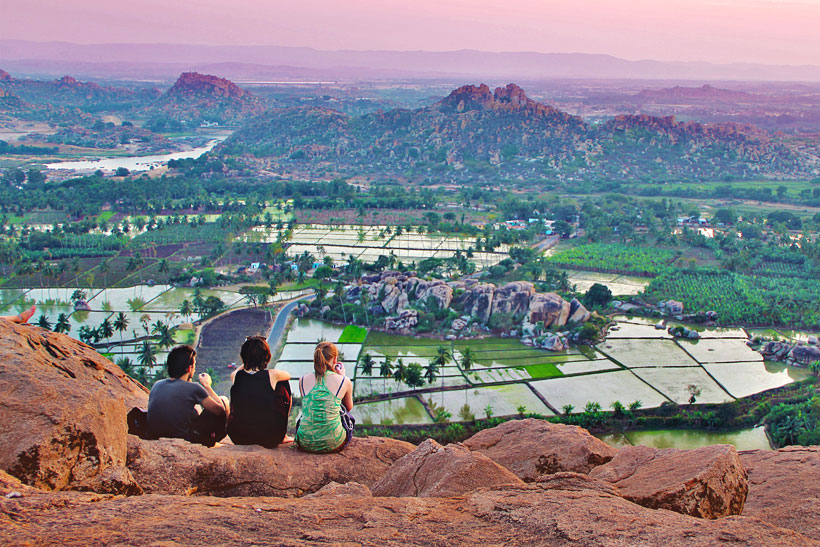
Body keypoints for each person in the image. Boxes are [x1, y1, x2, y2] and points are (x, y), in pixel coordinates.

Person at [146, 344, 228, 447]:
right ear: (189, 368)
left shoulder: (157, 384)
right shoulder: (194, 388)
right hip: (185, 439)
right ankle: (211, 442)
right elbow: (220, 411)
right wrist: (207, 386)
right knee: (223, 401)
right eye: (194, 365)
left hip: (157, 435)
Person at [227, 336, 293, 448]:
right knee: (283, 384)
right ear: (266, 357)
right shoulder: (273, 375)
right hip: (270, 438)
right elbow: (288, 375)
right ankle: (284, 435)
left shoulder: (237, 376)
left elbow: (236, 372)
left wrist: (249, 356)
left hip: (240, 437)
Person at [294, 341, 354, 453]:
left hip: (305, 441)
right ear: (335, 359)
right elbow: (348, 407)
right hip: (334, 442)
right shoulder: (344, 381)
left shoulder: (302, 380)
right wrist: (342, 377)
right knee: (348, 416)